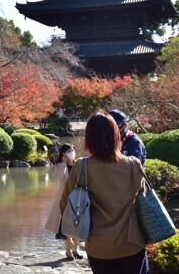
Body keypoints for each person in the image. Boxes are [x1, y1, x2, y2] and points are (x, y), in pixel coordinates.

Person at [61, 112, 147, 274]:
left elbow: (65, 204)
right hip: (132, 243)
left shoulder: (82, 166)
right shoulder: (133, 165)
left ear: (89, 137)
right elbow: (143, 202)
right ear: (115, 135)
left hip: (98, 245)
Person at [45, 143, 83, 260]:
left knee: (78, 223)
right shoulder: (60, 165)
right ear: (64, 154)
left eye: (72, 150)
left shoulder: (79, 164)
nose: (72, 152)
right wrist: (63, 163)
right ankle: (68, 251)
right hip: (65, 198)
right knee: (65, 224)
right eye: (69, 151)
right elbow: (60, 177)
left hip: (78, 197)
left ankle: (76, 249)